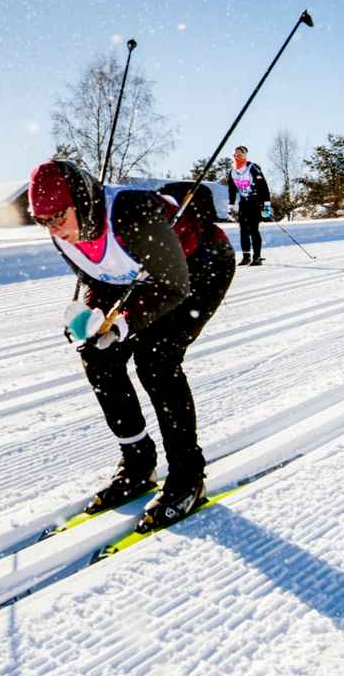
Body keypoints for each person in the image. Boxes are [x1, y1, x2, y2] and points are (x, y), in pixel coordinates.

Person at [28, 159, 235, 533]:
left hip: (199, 267)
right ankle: (138, 462)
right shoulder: (63, 235)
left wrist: (121, 323)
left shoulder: (131, 215)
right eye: (43, 221)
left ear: (80, 199)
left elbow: (173, 286)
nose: (54, 228)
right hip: (144, 279)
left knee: (156, 359)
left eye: (58, 216)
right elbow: (102, 279)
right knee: (96, 353)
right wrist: (88, 317)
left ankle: (188, 475)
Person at [222, 145, 271, 265]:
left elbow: (264, 187)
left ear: (245, 155)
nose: (237, 157)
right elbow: (232, 190)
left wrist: (266, 207)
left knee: (253, 229)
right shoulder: (233, 171)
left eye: (240, 155)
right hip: (244, 203)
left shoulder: (253, 168)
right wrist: (231, 206)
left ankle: (257, 257)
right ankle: (246, 257)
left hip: (255, 202)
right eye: (235, 155)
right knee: (243, 230)